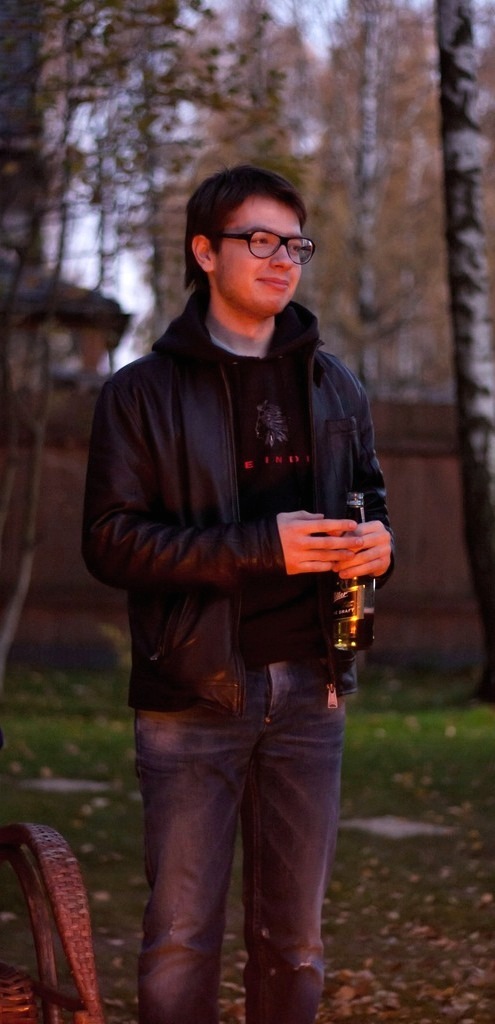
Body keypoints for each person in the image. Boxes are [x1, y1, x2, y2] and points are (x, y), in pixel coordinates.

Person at [82, 163, 393, 1024]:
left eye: (294, 244)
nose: (281, 258)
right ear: (203, 252)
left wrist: (378, 545)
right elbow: (110, 542)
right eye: (259, 240)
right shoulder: (139, 393)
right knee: (180, 942)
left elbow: (367, 500)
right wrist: (264, 547)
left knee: (296, 946)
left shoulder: (335, 385)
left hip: (311, 692)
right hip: (192, 695)